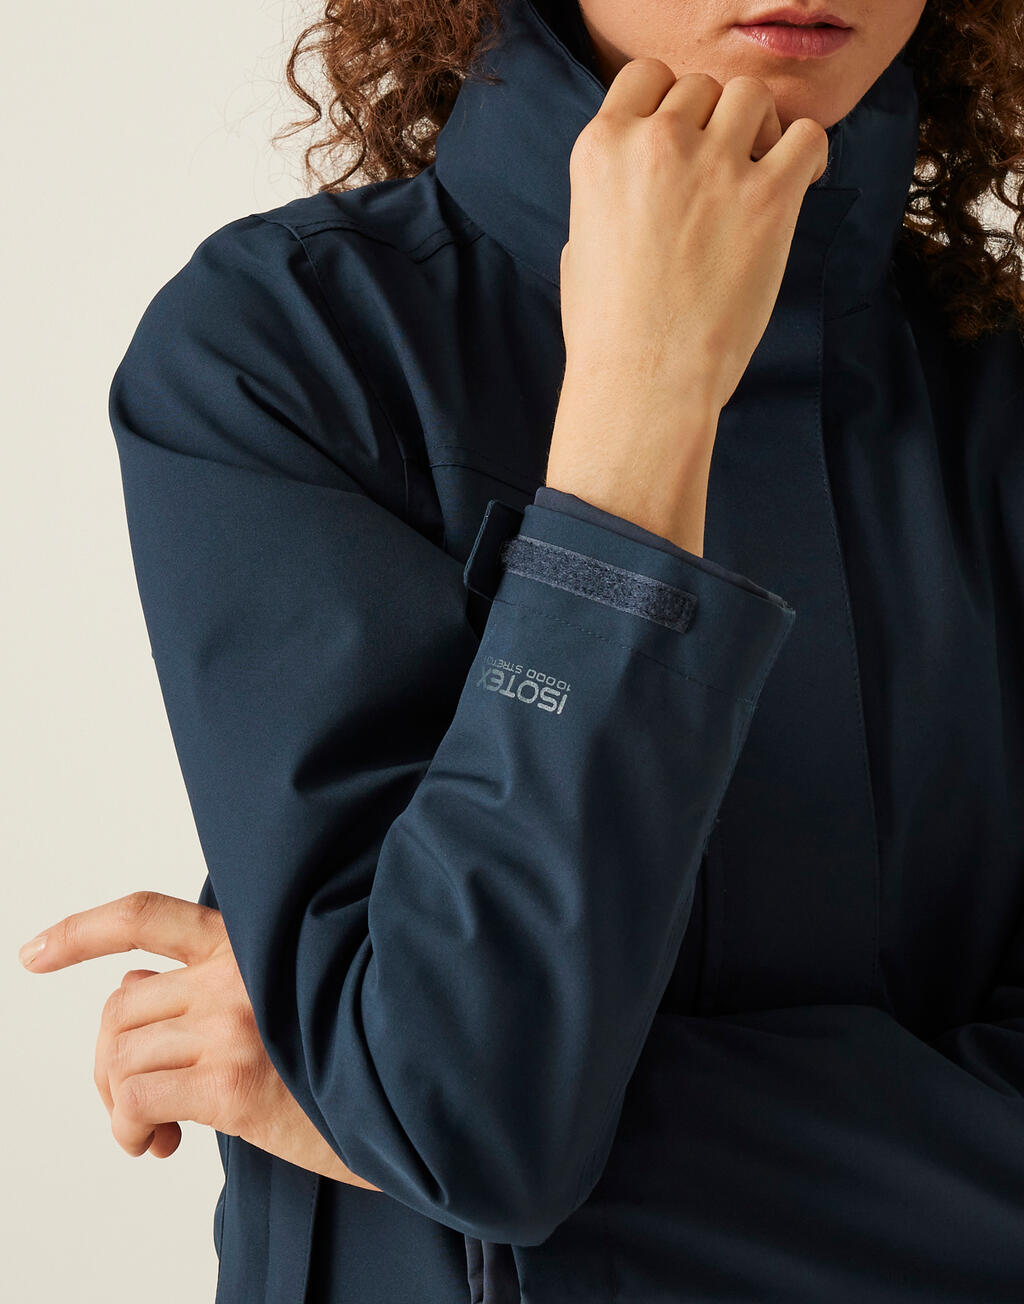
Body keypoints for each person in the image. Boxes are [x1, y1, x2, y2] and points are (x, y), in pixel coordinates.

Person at [71, 0, 1024, 1298]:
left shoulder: (1000, 399)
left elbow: (445, 1105)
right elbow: (463, 1100)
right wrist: (644, 398)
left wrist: (358, 1087)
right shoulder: (288, 349)